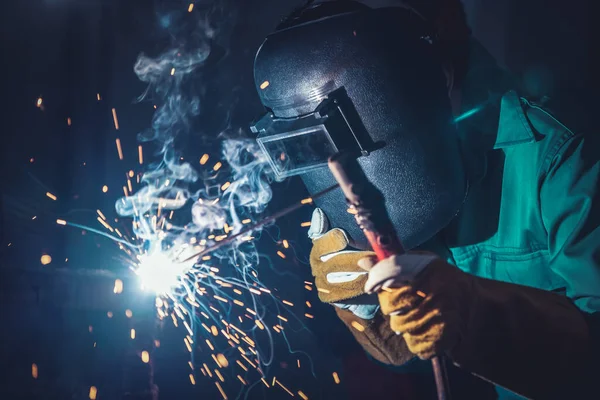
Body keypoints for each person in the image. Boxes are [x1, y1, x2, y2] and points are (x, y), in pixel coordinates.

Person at [251, 0, 600, 398]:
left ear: (435, 78)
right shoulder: (365, 180)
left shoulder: (562, 155)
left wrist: (472, 309)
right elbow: (401, 349)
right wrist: (364, 304)